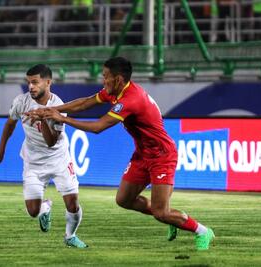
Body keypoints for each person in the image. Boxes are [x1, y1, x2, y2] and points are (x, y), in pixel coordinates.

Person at [27, 57, 214, 251]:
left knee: (161, 212)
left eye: (105, 77)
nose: (103, 81)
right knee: (124, 200)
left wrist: (61, 119)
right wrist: (49, 110)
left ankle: (202, 230)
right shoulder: (116, 92)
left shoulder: (130, 99)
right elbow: (85, 103)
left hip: (162, 156)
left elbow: (98, 126)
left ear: (118, 79)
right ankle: (172, 217)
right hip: (143, 154)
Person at [0, 64, 87, 248]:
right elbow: (10, 125)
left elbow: (51, 142)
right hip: (33, 162)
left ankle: (70, 236)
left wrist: (43, 121)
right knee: (33, 211)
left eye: (35, 82)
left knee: (72, 203)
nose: (31, 87)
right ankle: (45, 207)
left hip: (59, 159)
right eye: (28, 83)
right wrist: (1, 150)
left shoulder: (58, 107)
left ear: (48, 82)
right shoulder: (21, 102)